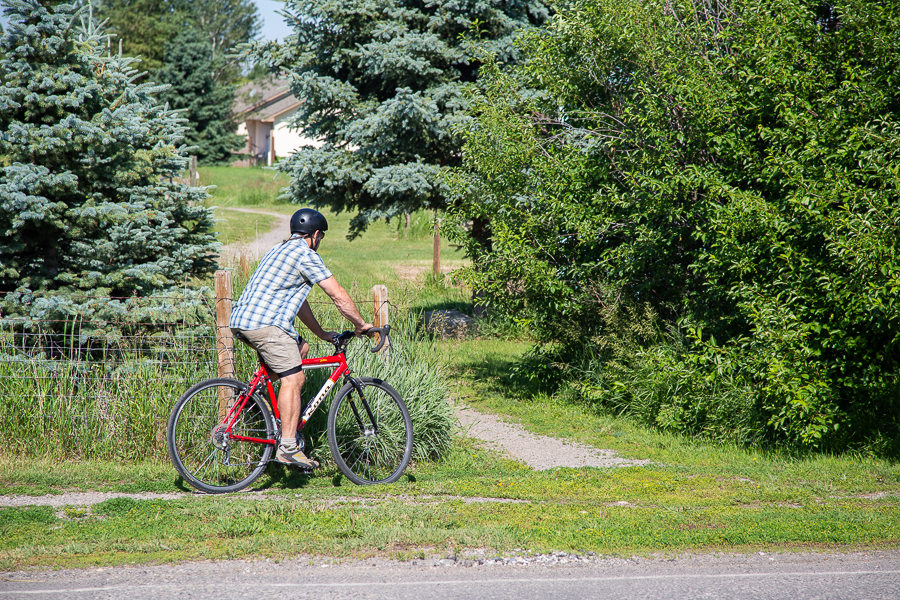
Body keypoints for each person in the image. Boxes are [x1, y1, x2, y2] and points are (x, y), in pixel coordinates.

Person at [229, 208, 373, 469]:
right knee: (294, 379)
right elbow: (337, 294)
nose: (320, 241)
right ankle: (288, 448)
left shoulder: (280, 249)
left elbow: (299, 302)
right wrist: (361, 325)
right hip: (266, 326)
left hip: (243, 321)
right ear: (315, 234)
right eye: (321, 237)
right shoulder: (306, 255)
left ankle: (256, 399)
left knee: (301, 347)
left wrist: (322, 334)